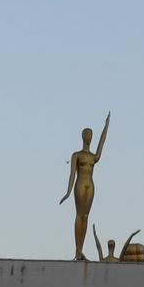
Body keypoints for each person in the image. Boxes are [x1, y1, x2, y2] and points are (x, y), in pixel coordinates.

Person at [59, 112, 110, 261]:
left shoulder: (93, 156)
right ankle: (77, 251)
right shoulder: (77, 155)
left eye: (90, 135)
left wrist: (106, 126)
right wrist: (68, 192)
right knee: (79, 215)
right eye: (86, 134)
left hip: (90, 185)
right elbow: (72, 175)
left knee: (86, 216)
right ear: (83, 137)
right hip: (80, 183)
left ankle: (80, 251)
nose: (88, 137)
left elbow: (102, 144)